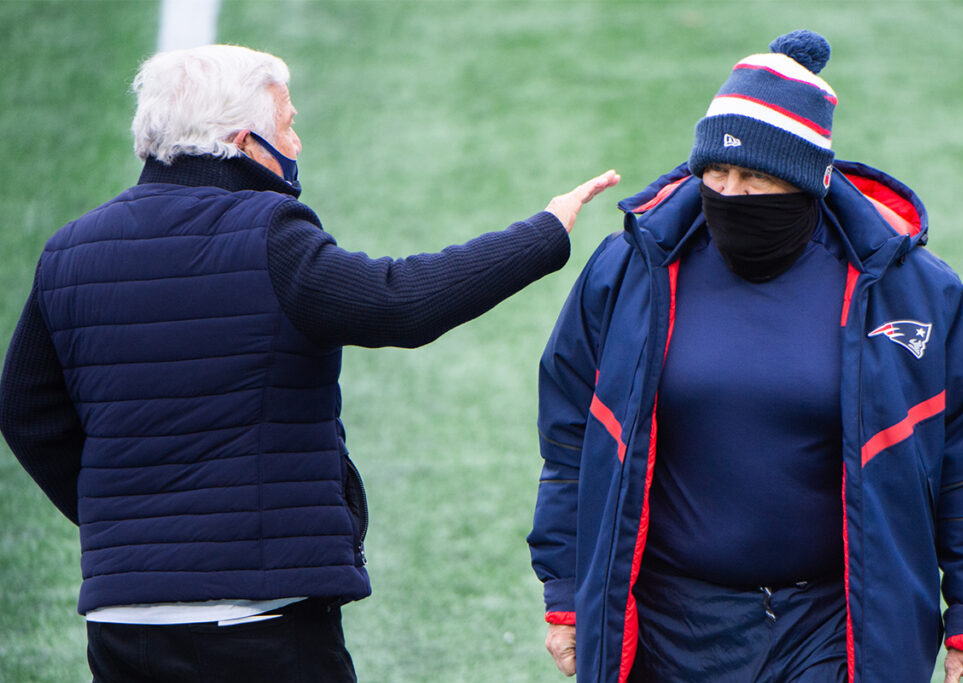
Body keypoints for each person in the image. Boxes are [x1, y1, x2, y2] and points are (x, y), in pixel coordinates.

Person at [0, 44, 619, 682]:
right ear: (244, 143)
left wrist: (130, 517)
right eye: (288, 125)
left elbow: (24, 411)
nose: (296, 141)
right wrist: (547, 230)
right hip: (259, 622)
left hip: (122, 625)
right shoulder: (271, 235)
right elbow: (400, 302)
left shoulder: (67, 253)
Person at [528, 30, 963, 683]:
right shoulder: (631, 272)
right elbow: (569, 440)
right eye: (716, 171)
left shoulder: (915, 290)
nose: (729, 194)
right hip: (664, 624)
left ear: (808, 180)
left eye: (755, 176)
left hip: (835, 622)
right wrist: (565, 594)